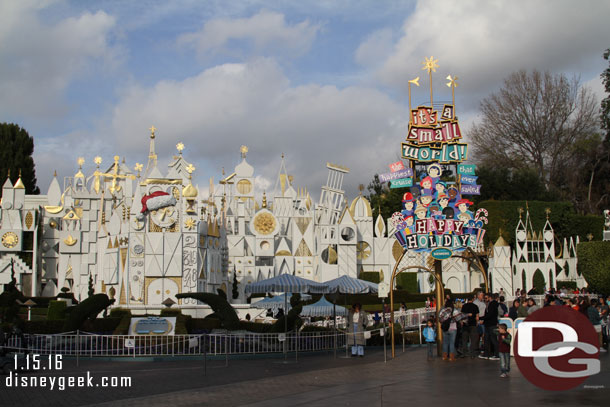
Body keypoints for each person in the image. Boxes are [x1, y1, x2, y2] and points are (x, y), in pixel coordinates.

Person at [480, 293, 499, 360]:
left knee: (493, 339)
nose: (485, 299)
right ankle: (486, 353)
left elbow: (490, 314)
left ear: (490, 298)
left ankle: (497, 354)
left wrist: (481, 318)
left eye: (486, 298)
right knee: (486, 339)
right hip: (487, 324)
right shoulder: (488, 305)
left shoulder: (492, 304)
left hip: (492, 324)